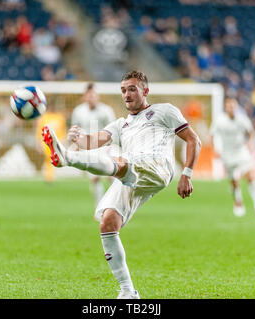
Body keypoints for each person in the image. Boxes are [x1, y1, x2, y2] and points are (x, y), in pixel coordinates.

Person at [41, 70, 201, 299]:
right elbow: (92, 140)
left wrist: (186, 173)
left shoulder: (164, 110)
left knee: (114, 155)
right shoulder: (120, 124)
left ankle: (67, 158)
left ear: (145, 91)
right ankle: (128, 291)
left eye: (132, 89)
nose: (127, 94)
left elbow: (193, 139)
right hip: (132, 171)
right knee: (108, 222)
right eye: (123, 90)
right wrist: (78, 138)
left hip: (157, 167)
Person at [210, 97, 255, 219]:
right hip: (227, 153)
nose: (231, 108)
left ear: (236, 107)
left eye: (233, 106)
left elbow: (251, 133)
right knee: (234, 181)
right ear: (225, 107)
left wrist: (250, 143)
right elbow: (213, 135)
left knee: (251, 177)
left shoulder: (242, 119)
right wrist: (215, 149)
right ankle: (238, 203)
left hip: (241, 152)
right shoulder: (220, 120)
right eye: (229, 106)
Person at [70, 83, 116, 207]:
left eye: (94, 95)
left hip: (104, 147)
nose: (91, 98)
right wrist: (76, 146)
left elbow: (113, 130)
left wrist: (110, 148)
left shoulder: (106, 111)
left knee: (112, 176)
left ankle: (115, 204)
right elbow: (75, 130)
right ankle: (99, 206)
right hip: (88, 150)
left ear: (98, 96)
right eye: (89, 95)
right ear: (85, 96)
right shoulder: (78, 111)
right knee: (95, 178)